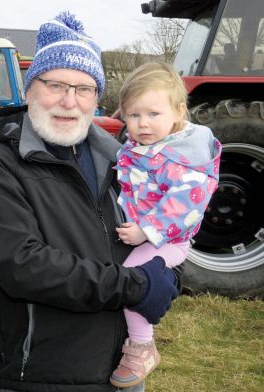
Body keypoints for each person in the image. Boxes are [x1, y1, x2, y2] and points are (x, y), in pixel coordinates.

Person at [0, 12, 182, 392]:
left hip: (123, 371)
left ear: (97, 99)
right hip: (46, 377)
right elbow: (23, 266)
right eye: (56, 85)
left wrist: (169, 276)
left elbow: (165, 230)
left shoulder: (124, 162)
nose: (69, 101)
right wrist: (136, 286)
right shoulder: (1, 166)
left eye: (83, 89)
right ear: (30, 89)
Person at [110, 62, 221, 388]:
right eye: (133, 115)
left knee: (133, 278)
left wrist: (147, 230)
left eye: (153, 114)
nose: (143, 124)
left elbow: (185, 205)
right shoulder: (142, 146)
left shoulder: (185, 158)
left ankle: (142, 347)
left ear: (178, 112)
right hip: (146, 233)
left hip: (168, 240)